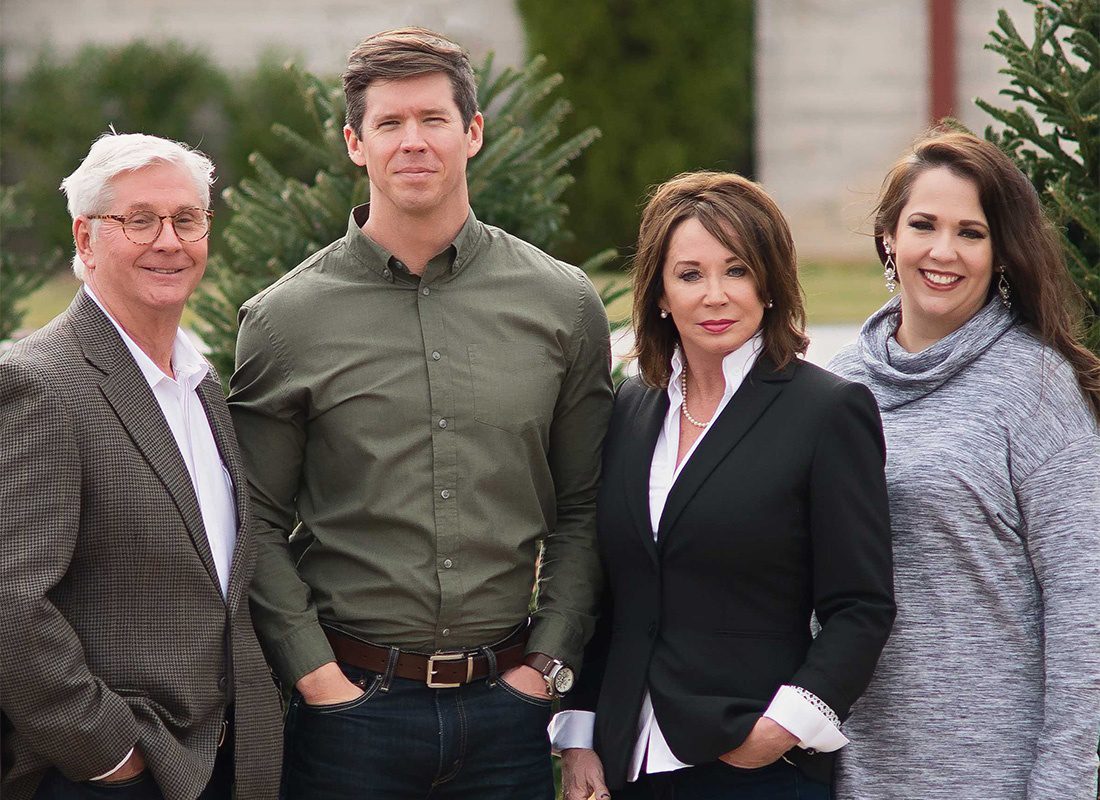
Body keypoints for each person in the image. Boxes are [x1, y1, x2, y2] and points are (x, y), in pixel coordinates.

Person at [227, 27, 613, 799]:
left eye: (433, 119)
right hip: (348, 720)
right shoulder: (284, 321)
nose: (413, 142)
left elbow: (584, 507)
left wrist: (547, 667)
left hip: (509, 715)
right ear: (354, 144)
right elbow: (255, 525)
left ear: (472, 132)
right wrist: (317, 679)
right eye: (389, 124)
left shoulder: (562, 304)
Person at [553, 171, 896, 800]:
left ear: (769, 285)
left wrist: (781, 728)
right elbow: (613, 591)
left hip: (753, 766)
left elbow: (861, 607)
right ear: (659, 292)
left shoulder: (828, 411)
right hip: (625, 763)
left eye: (736, 270)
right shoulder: (630, 407)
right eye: (690, 275)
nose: (715, 295)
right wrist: (579, 735)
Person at [0, 132, 283, 800]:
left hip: (223, 762)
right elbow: (12, 602)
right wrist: (108, 754)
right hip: (114, 774)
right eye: (139, 220)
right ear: (86, 237)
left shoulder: (202, 383)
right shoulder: (39, 383)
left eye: (187, 219)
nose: (168, 240)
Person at [829, 129, 1100, 800]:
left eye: (971, 232)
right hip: (849, 769)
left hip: (993, 773)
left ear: (1000, 251)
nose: (943, 251)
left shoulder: (1035, 390)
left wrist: (1062, 784)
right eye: (923, 224)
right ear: (889, 236)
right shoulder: (836, 388)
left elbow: (1083, 609)